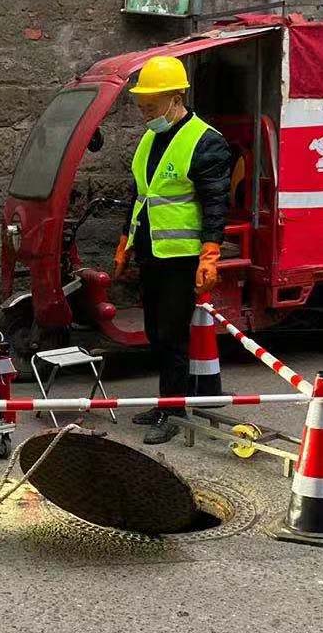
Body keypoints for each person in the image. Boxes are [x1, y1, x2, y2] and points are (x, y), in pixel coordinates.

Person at [112, 56, 231, 445]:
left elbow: (216, 202)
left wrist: (209, 254)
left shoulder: (206, 141)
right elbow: (140, 194)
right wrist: (125, 243)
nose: (145, 112)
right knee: (154, 332)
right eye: (142, 105)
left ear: (176, 98)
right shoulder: (150, 137)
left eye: (151, 105)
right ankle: (166, 402)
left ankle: (174, 410)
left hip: (181, 258)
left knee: (172, 334)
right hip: (151, 253)